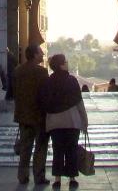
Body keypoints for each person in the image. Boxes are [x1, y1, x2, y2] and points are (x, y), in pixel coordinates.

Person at [39, 53, 88, 191]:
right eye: (65, 61)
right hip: (72, 121)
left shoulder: (48, 82)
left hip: (55, 123)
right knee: (71, 150)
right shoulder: (72, 80)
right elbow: (79, 102)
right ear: (61, 64)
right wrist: (84, 121)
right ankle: (72, 178)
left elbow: (44, 102)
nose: (67, 63)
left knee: (57, 150)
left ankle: (57, 179)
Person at [13, 44, 50, 186]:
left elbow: (15, 92)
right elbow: (45, 94)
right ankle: (39, 176)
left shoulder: (17, 71)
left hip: (23, 115)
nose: (43, 55)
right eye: (40, 53)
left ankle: (22, 176)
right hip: (39, 116)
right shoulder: (42, 72)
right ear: (34, 54)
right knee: (40, 148)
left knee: (25, 148)